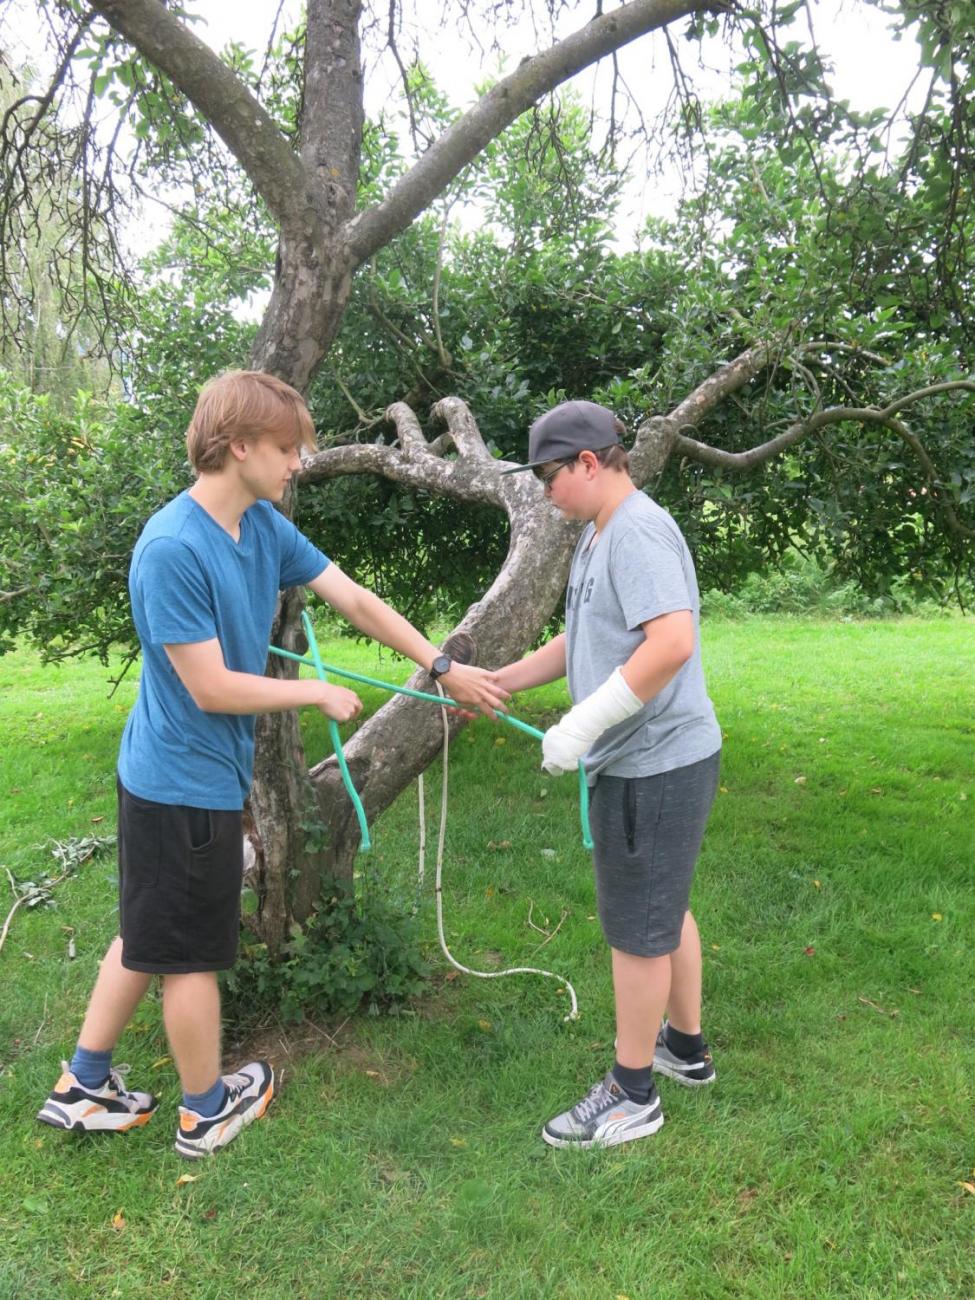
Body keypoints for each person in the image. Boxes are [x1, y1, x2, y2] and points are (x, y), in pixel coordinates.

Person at [37, 370, 509, 1159]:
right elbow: (211, 685)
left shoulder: (260, 527)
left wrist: (437, 663)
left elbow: (352, 598)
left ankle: (83, 1085)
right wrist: (313, 695)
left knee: (148, 929)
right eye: (289, 448)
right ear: (237, 446)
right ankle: (204, 1111)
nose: (299, 463)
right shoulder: (171, 549)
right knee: (187, 954)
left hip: (182, 777)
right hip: (177, 783)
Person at [495, 400, 722, 1149]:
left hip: (654, 760)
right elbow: (579, 639)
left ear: (590, 463)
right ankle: (682, 1049)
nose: (543, 492)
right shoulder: (596, 534)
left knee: (636, 931)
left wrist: (582, 724)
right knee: (663, 907)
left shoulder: (637, 532)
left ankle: (632, 1095)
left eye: (548, 477)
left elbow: (671, 643)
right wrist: (497, 681)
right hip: (651, 757)